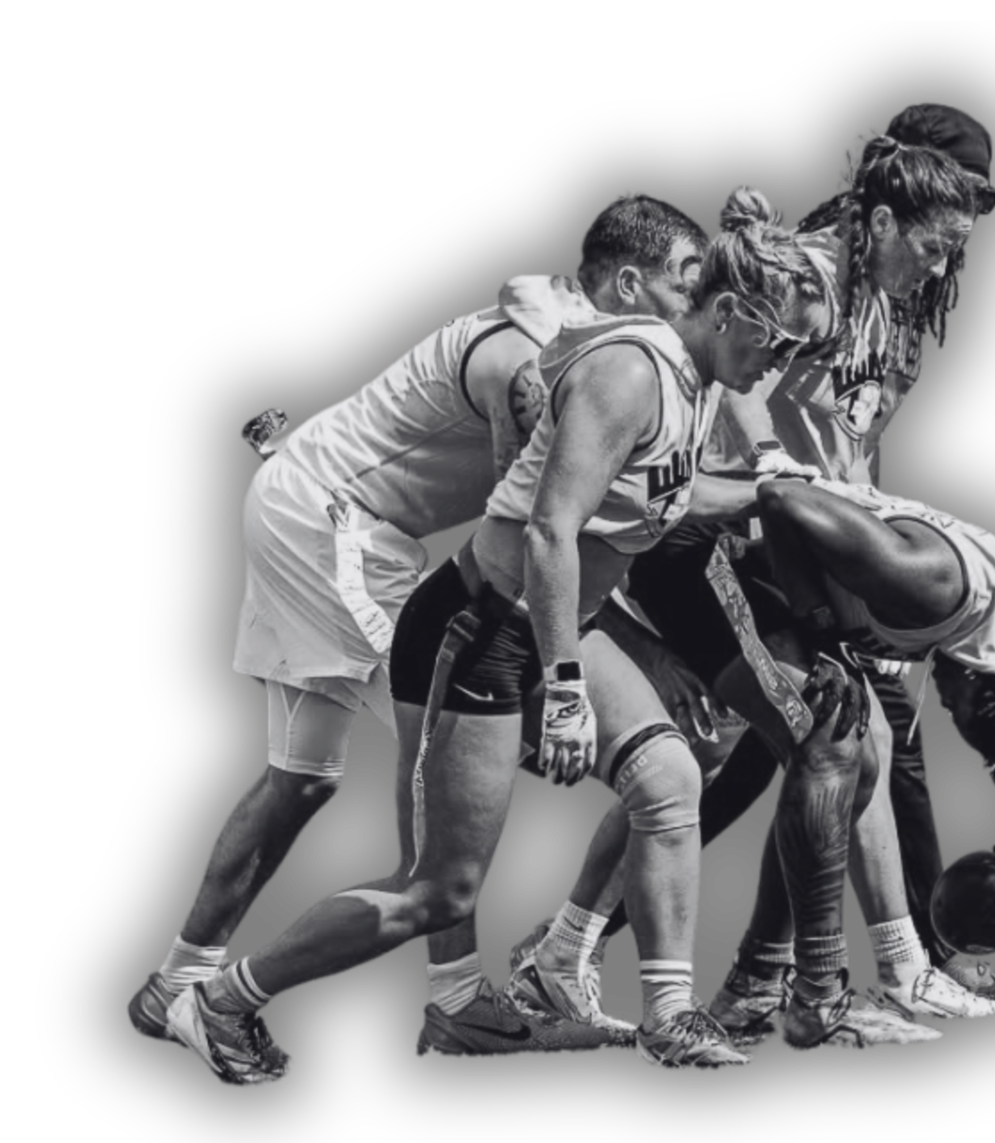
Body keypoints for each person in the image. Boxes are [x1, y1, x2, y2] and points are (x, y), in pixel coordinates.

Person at [159, 185, 832, 1083]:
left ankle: (669, 1012)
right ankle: (217, 998)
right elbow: (553, 529)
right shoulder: (632, 369)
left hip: (552, 616)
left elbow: (654, 504)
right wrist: (561, 688)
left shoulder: (697, 379)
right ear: (724, 309)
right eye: (778, 342)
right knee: (436, 886)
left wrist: (775, 493)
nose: (782, 367)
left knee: (670, 772)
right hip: (476, 628)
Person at [509, 121, 995, 1050]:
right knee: (829, 733)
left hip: (739, 536)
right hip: (712, 549)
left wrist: (837, 524)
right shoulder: (797, 291)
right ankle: (821, 986)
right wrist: (782, 479)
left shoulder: (861, 303)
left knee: (759, 755)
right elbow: (727, 420)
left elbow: (835, 446)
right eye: (936, 245)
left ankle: (637, 957)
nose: (943, 271)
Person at [753, 472, 995, 970]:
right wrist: (824, 640)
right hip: (732, 553)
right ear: (990, 692)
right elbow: (780, 498)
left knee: (869, 755)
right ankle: (776, 973)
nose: (955, 720)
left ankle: (906, 960)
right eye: (973, 726)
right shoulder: (931, 584)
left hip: (767, 596)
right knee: (828, 751)